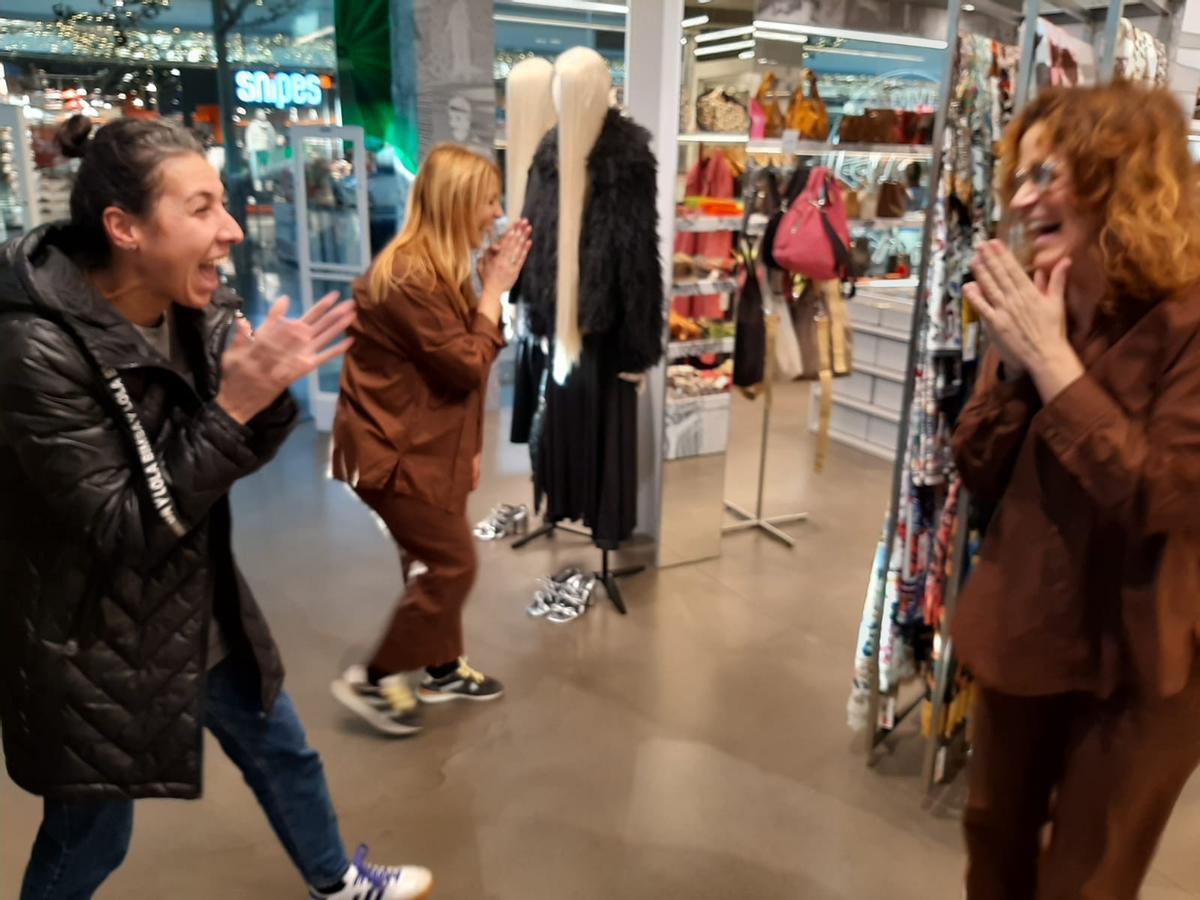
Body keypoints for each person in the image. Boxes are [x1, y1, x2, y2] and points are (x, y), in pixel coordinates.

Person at [0, 115, 433, 900]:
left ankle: (336, 882)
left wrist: (264, 393)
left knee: (282, 748)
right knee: (91, 839)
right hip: (94, 638)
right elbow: (125, 528)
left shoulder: (195, 305)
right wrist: (234, 408)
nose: (231, 229)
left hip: (195, 598)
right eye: (201, 209)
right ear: (124, 227)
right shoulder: (36, 350)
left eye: (224, 203)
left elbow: (247, 439)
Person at [952, 83, 1200, 899]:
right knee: (992, 838)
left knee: (1088, 879)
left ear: (1115, 178)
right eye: (1017, 180)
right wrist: (1018, 370)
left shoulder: (1189, 315)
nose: (1020, 201)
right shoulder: (1039, 294)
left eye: (1043, 176)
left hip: (1142, 658)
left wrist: (1057, 370)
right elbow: (978, 468)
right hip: (1028, 625)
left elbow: (1164, 496)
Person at [329, 144, 531, 737]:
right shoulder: (410, 277)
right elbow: (467, 364)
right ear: (457, 204)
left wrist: (466, 451)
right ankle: (374, 677)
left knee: (427, 559)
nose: (495, 213)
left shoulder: (437, 268)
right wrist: (494, 291)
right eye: (487, 201)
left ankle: (441, 667)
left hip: (424, 444)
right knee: (452, 565)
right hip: (390, 451)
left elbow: (452, 372)